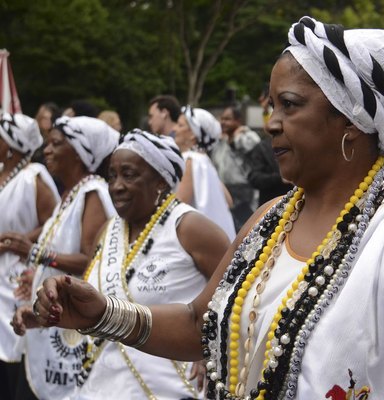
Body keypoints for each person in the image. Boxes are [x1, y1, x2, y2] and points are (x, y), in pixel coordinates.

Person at [34, 17, 384, 400]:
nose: (271, 123)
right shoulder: (270, 220)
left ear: (352, 122)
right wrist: (102, 313)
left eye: (289, 105)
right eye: (271, 106)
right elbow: (198, 326)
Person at [71, 129, 230, 399]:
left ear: (160, 181)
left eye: (129, 175)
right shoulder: (108, 231)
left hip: (170, 387)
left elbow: (237, 294)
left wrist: (211, 348)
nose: (117, 185)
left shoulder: (190, 227)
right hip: (103, 385)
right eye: (112, 175)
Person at [9, 116, 118, 399]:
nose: (46, 150)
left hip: (68, 328)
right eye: (47, 143)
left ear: (81, 153)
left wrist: (34, 253)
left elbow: (88, 260)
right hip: (49, 322)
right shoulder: (71, 194)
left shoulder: (92, 192)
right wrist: (36, 276)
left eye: (56, 144)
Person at [0, 113, 59, 399]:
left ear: (12, 144)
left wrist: (20, 241)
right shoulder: (2, 172)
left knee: (11, 345)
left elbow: (55, 222)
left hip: (17, 274)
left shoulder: (33, 177)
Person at [174, 105, 236, 241]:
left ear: (192, 134)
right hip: (222, 236)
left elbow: (178, 206)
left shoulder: (190, 160)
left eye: (180, 125)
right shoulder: (204, 160)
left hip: (200, 240)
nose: (174, 129)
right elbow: (229, 201)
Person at [210, 105, 260, 230]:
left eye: (227, 119)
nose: (223, 122)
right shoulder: (221, 141)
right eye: (222, 119)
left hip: (245, 195)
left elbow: (255, 148)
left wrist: (236, 139)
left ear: (238, 121)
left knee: (246, 232)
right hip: (225, 194)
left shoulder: (248, 136)